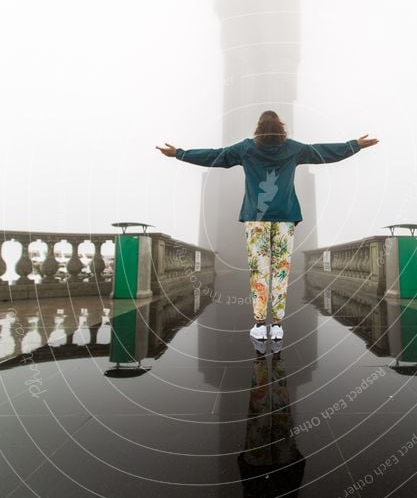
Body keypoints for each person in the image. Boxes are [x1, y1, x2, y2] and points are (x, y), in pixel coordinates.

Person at [156, 111, 378, 342]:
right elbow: (323, 152)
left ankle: (260, 325)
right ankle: (278, 325)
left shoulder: (246, 148)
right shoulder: (293, 148)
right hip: (284, 216)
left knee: (259, 271)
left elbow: (215, 156)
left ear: (259, 128)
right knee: (281, 270)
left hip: (256, 218)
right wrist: (355, 145)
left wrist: (179, 154)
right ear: (280, 127)